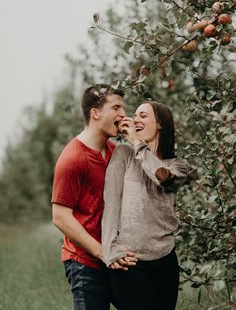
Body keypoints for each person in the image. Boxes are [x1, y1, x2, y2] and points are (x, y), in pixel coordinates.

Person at [51, 84, 137, 310]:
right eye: (116, 107)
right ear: (96, 113)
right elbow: (60, 217)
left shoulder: (114, 152)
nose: (123, 114)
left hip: (113, 257)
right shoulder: (73, 158)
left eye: (123, 108)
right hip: (85, 262)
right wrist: (103, 252)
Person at [102, 101, 190, 310]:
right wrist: (110, 250)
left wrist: (137, 143)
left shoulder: (178, 166)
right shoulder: (124, 153)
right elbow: (111, 205)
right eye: (135, 115)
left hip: (165, 260)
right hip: (130, 261)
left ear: (160, 123)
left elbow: (163, 178)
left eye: (143, 116)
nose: (135, 120)